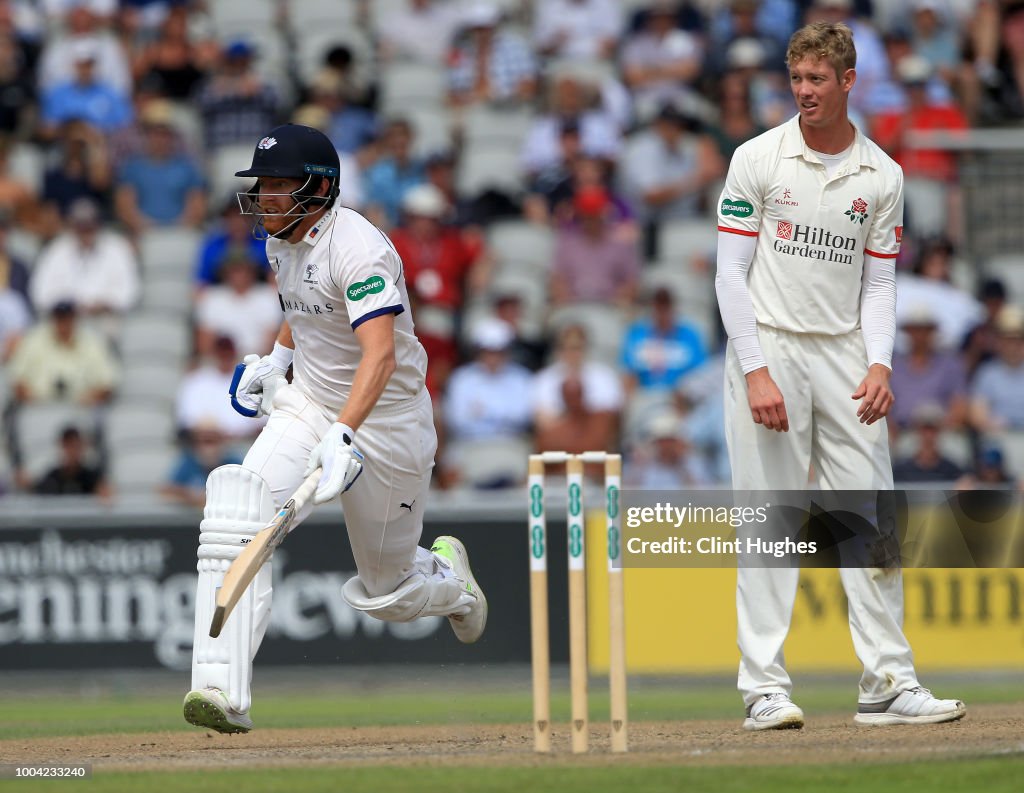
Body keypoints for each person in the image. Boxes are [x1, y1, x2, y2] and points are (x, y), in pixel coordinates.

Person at [183, 123, 487, 734]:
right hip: (311, 404)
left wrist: (345, 432)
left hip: (389, 423)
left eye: (276, 186)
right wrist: (277, 359)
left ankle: (453, 584)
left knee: (388, 593)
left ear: (318, 191)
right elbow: (304, 310)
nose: (264, 198)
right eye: (261, 186)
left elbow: (378, 355)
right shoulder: (280, 239)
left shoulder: (360, 248)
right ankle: (221, 691)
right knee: (239, 515)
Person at [714, 22, 964, 731]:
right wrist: (757, 369)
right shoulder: (757, 157)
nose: (804, 93)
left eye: (817, 80)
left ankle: (887, 681)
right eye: (796, 80)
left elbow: (878, 286)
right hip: (770, 347)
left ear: (848, 81)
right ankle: (763, 686)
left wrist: (880, 360)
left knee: (872, 519)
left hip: (845, 354)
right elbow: (729, 275)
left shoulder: (883, 174)